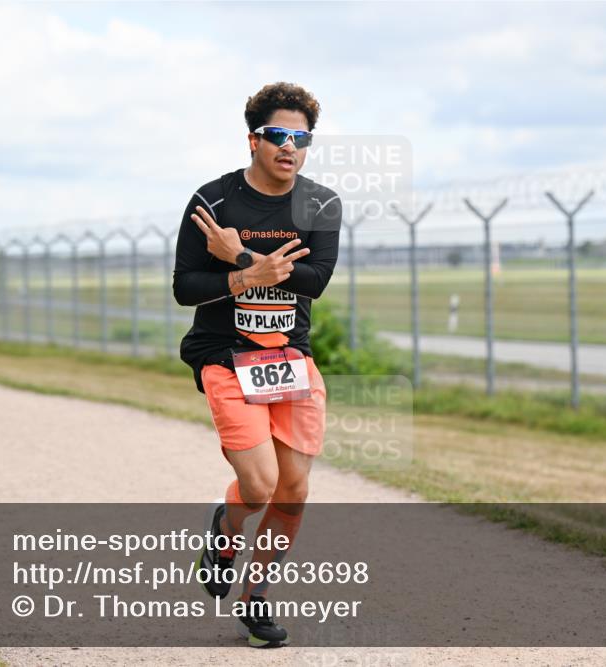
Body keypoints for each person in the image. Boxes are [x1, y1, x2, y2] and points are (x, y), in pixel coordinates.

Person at [173, 82, 341, 648]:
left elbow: (316, 279)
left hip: (291, 358)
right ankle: (225, 525)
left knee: (293, 490)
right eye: (278, 135)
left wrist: (241, 256)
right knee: (261, 484)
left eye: (301, 138)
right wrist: (245, 277)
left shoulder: (320, 204)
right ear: (253, 140)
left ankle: (255, 598)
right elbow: (184, 288)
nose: (290, 146)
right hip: (226, 356)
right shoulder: (212, 202)